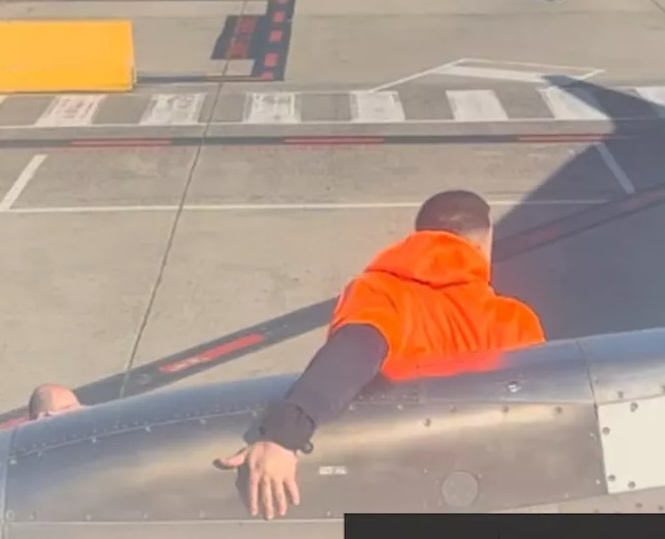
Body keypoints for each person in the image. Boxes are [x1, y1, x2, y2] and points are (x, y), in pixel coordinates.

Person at [219, 190, 546, 519]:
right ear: (484, 242)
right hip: (486, 493)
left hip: (395, 488)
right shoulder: (516, 320)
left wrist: (284, 434)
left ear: (419, 236)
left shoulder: (378, 294)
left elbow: (354, 351)